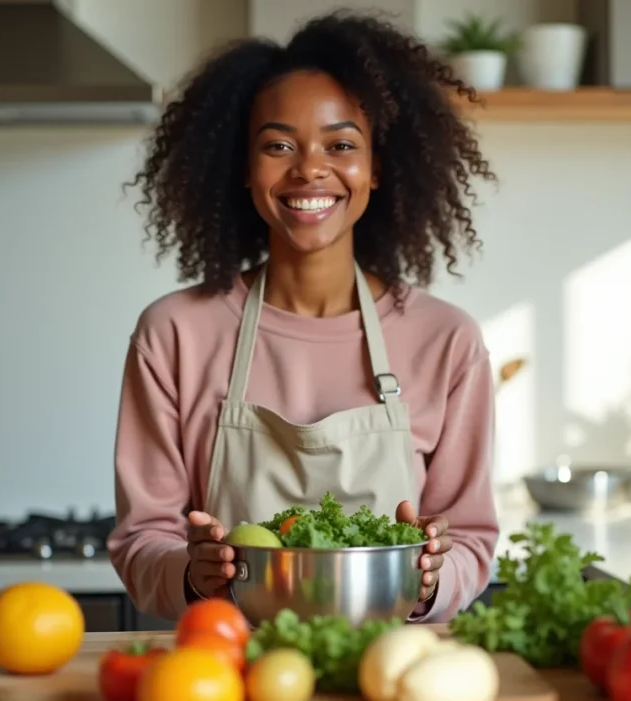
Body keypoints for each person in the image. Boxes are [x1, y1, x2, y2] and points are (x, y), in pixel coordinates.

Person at [107, 9, 500, 625]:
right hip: (229, 673)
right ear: (243, 166)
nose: (309, 169)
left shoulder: (446, 341)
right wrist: (190, 571)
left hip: (386, 674)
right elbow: (142, 536)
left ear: (376, 168)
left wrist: (430, 577)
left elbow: (471, 539)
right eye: (278, 145)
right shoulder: (174, 334)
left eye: (341, 145)